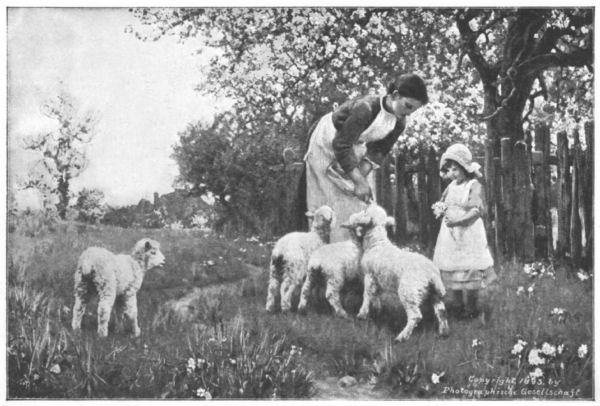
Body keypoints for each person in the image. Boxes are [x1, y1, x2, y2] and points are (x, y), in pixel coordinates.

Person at [300, 73, 428, 242]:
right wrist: (358, 181)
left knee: (357, 202)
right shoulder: (365, 108)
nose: (409, 113)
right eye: (408, 106)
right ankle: (323, 255)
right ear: (395, 95)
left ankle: (350, 253)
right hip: (328, 144)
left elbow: (379, 150)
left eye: (413, 110)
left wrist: (361, 177)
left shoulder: (399, 121)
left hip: (354, 148)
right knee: (327, 203)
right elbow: (341, 144)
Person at [432, 143, 497, 320]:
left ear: (465, 169)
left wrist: (458, 221)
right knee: (454, 268)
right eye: (450, 170)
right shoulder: (451, 186)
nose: (453, 174)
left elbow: (476, 211)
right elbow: (444, 202)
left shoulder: (473, 185)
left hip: (468, 233)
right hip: (451, 235)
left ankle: (471, 307)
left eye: (456, 169)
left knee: (470, 268)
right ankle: (457, 304)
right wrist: (440, 210)